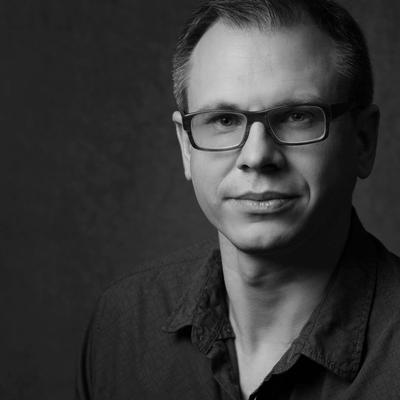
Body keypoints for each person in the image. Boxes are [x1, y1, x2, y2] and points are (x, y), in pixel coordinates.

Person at [76, 0, 400, 399]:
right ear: (186, 148)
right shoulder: (124, 326)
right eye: (224, 120)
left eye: (297, 116)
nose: (257, 156)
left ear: (363, 141)